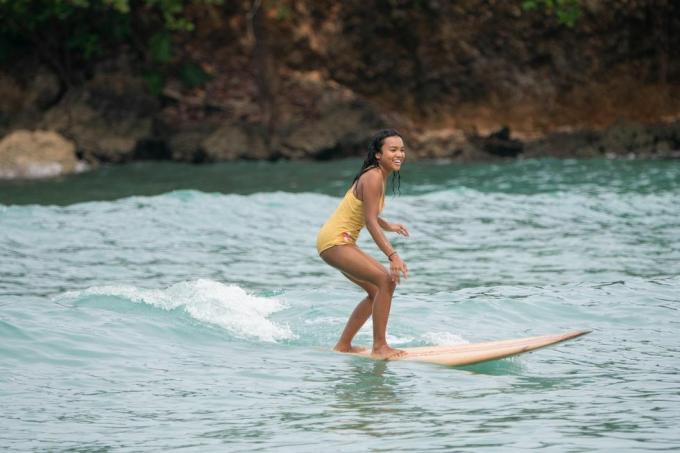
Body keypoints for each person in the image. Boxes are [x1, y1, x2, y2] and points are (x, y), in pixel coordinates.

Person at [316, 129, 410, 360]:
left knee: (375, 290)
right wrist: (392, 255)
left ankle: (343, 346)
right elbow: (368, 222)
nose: (399, 154)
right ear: (378, 154)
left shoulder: (377, 176)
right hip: (337, 242)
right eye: (393, 150)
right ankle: (380, 347)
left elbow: (367, 213)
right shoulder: (373, 177)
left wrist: (388, 225)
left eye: (402, 150)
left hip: (335, 241)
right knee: (386, 280)